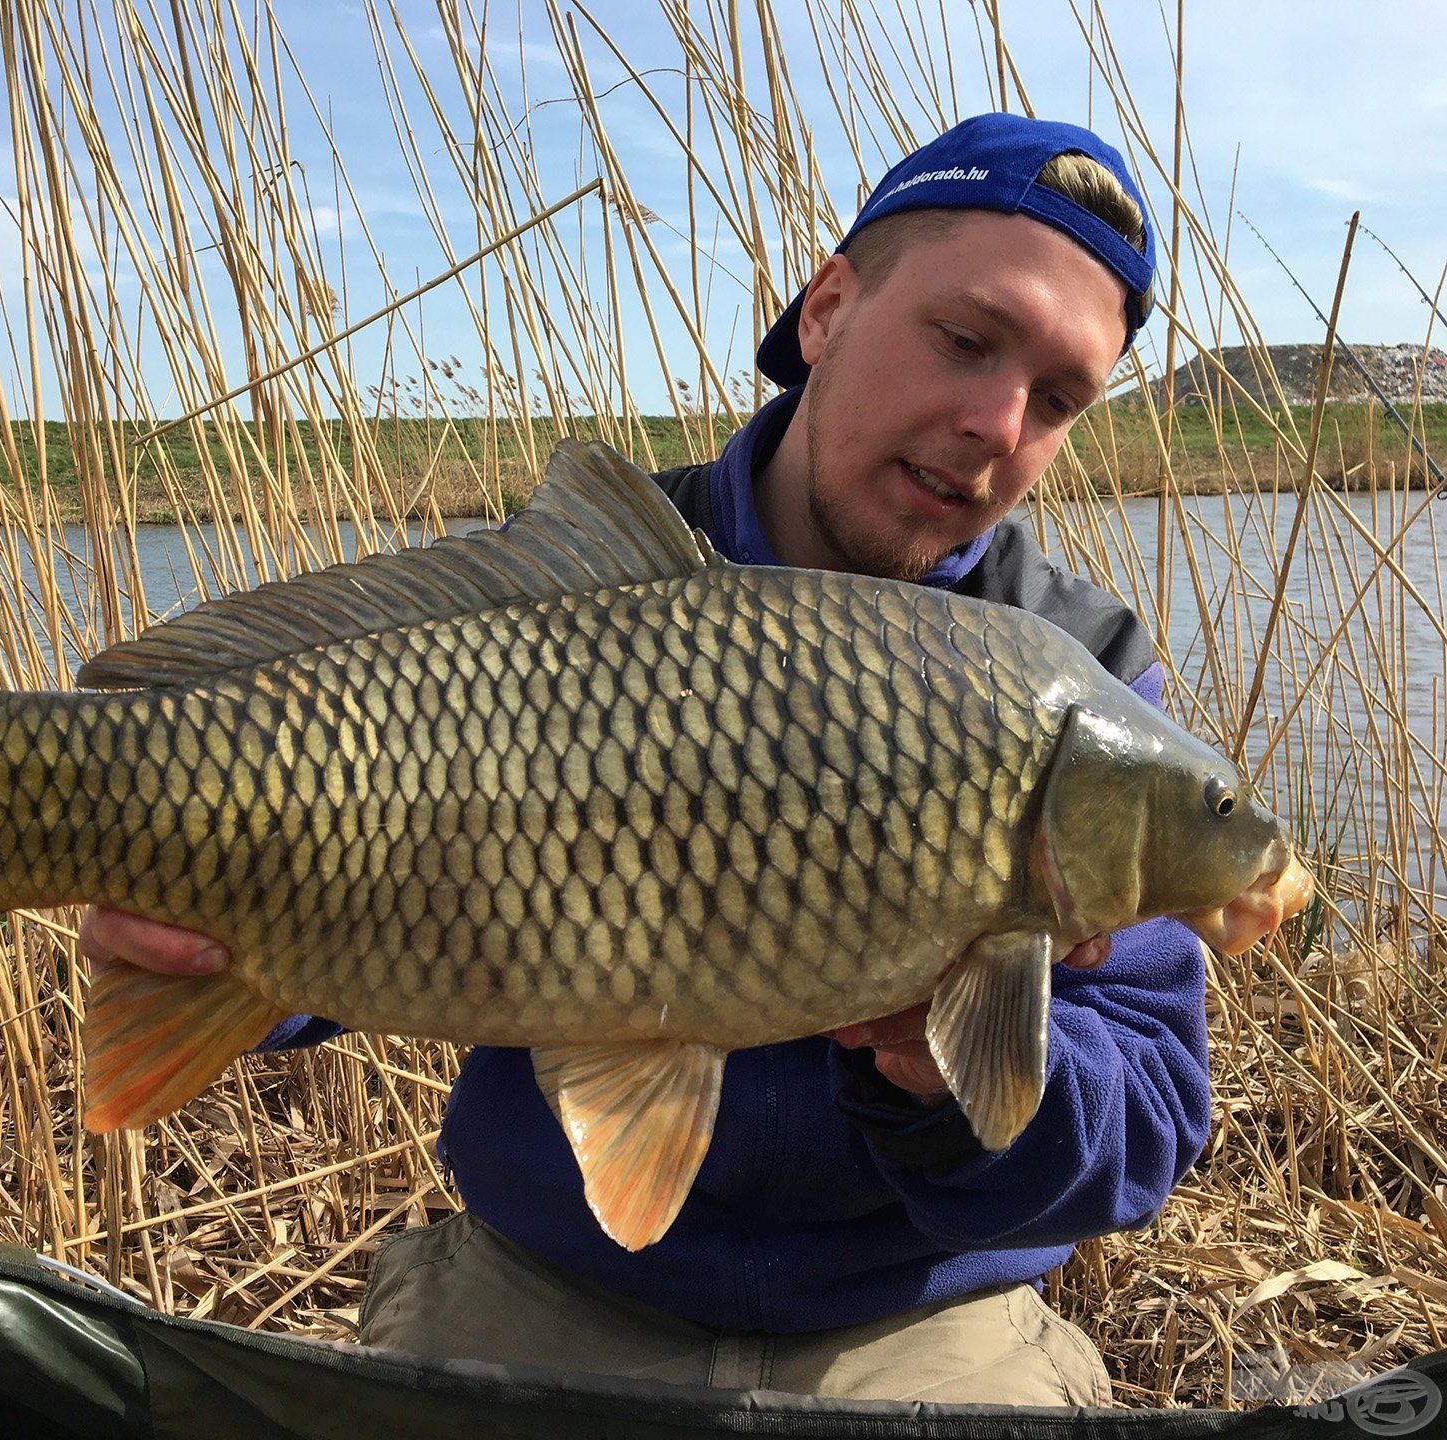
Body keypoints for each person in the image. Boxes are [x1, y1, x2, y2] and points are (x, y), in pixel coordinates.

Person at [82, 113, 1208, 1408]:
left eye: (1059, 400)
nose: (995, 423)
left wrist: (951, 1076)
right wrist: (225, 944)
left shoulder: (1082, 679)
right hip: (547, 1283)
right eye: (965, 341)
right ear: (830, 307)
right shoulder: (568, 591)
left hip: (912, 1322)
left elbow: (1153, 1114)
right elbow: (368, 860)